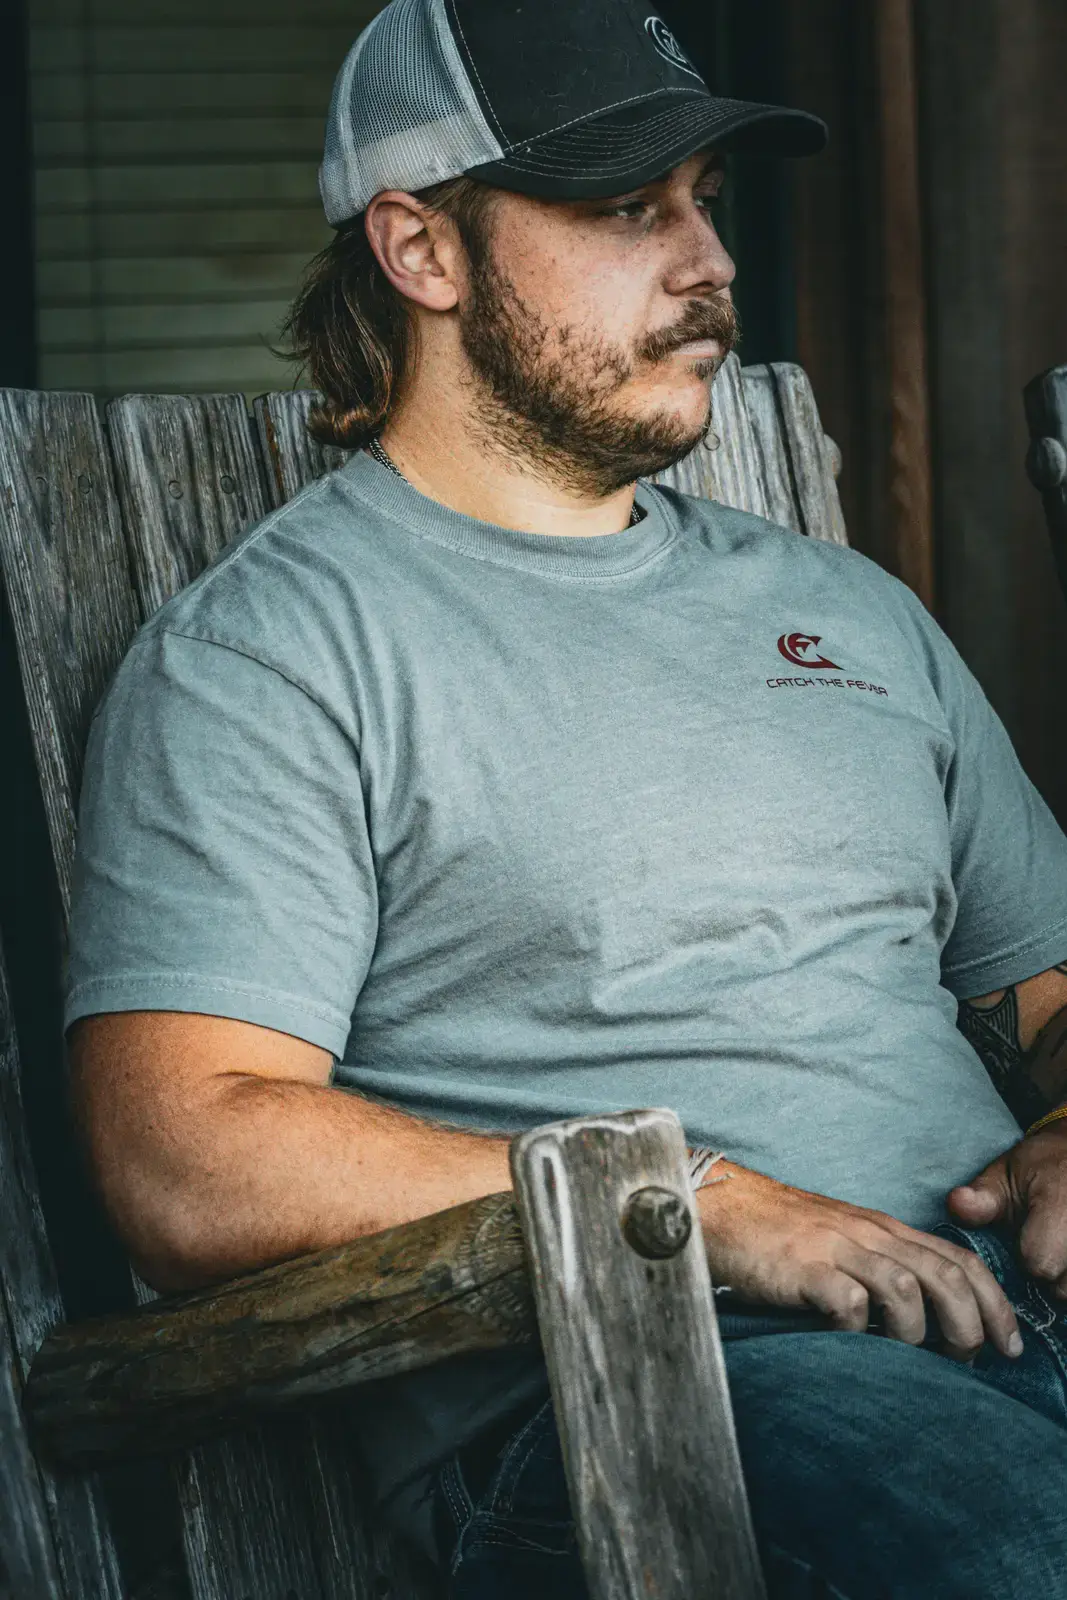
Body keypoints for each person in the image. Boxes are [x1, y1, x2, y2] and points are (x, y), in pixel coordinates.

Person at [63, 0, 1067, 1594]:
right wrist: (699, 1206)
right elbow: (187, 1151)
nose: (707, 262)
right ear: (421, 249)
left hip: (1012, 1303)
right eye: (624, 208)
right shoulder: (271, 657)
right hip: (664, 1383)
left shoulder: (846, 609)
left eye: (704, 204)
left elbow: (1041, 984)